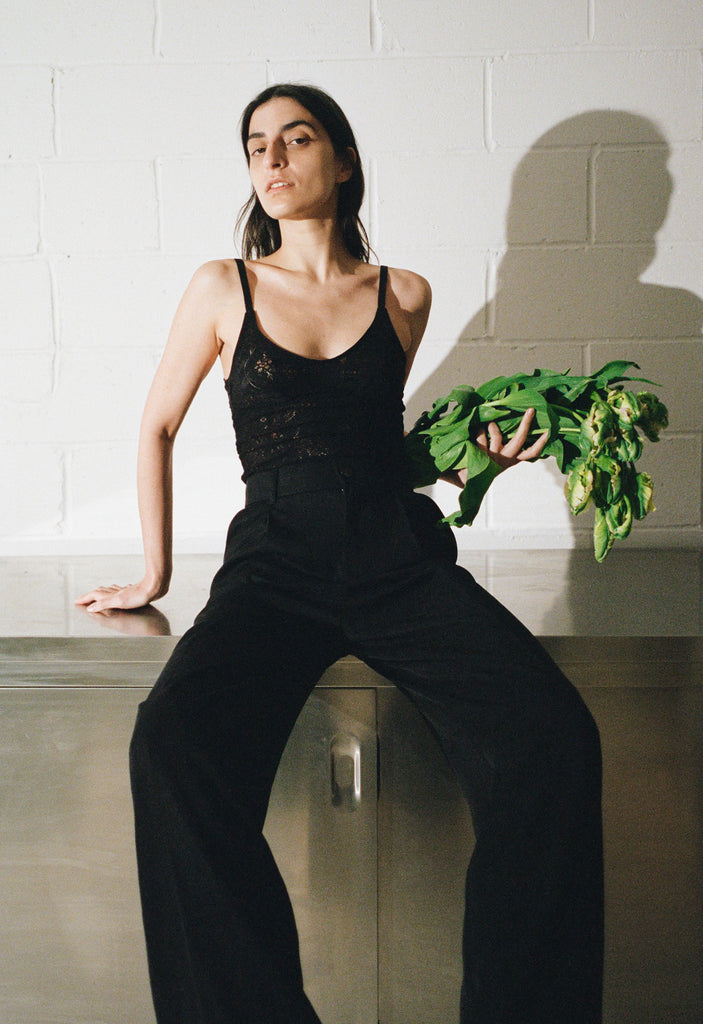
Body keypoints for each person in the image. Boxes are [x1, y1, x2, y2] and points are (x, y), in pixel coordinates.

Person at [76, 83, 603, 1024]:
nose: (272, 160)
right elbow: (155, 426)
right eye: (256, 146)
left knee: (552, 738)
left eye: (295, 139)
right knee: (170, 747)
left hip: (397, 557)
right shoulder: (223, 285)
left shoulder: (403, 294)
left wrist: (474, 464)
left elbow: (372, 446)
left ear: (344, 159)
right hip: (274, 561)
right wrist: (156, 573)